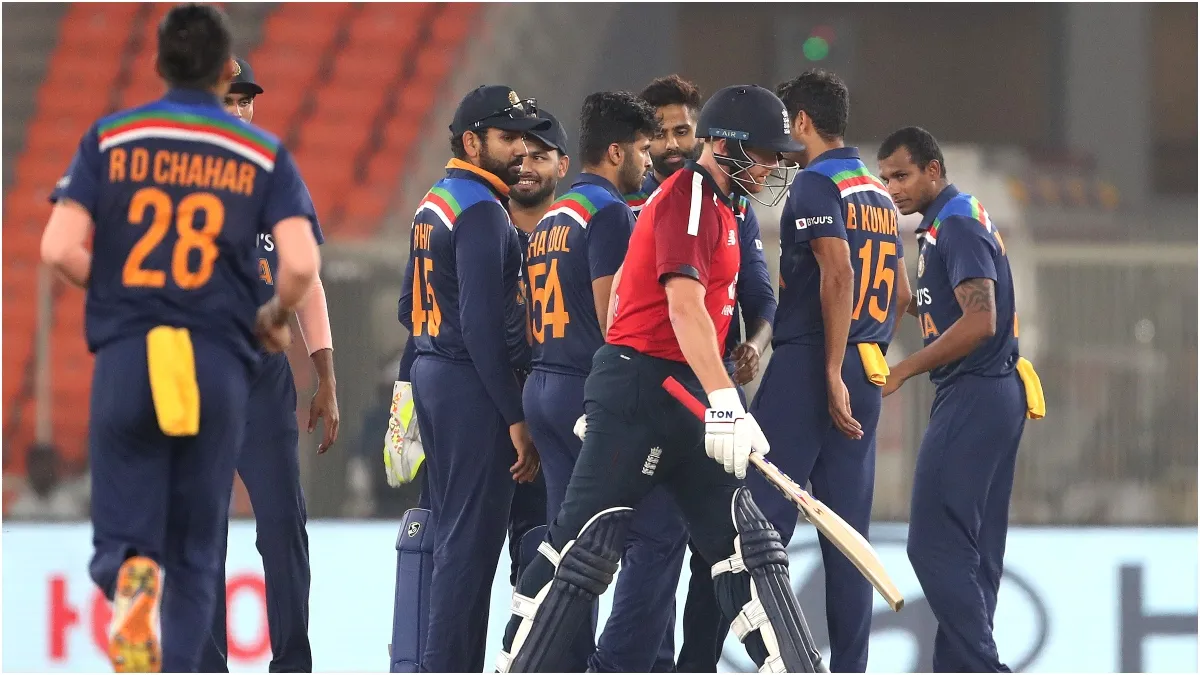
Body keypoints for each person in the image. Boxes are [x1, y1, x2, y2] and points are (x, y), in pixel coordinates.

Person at [497, 85, 827, 674]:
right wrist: (724, 400)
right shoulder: (689, 197)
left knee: (747, 548)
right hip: (642, 390)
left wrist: (716, 397)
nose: (775, 166)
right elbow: (683, 306)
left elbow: (684, 302)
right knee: (582, 548)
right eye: (766, 153)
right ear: (726, 146)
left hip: (682, 391)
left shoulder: (726, 208)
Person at [39, 4, 321, 671]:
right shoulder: (257, 153)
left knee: (137, 517)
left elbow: (56, 248)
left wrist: (124, 289)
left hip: (134, 353)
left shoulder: (112, 138)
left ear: (161, 65)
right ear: (223, 70)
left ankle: (128, 572)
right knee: (200, 539)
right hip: (215, 354)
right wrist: (273, 313)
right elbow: (302, 265)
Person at [743, 70, 906, 672]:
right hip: (868, 367)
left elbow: (838, 274)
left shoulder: (815, 183)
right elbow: (901, 290)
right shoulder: (877, 191)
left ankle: (783, 659)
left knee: (754, 519)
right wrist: (862, 354)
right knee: (848, 541)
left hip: (815, 365)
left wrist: (832, 368)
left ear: (804, 121)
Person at [626, 73, 780, 674]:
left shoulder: (731, 205)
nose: (671, 143)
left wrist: (753, 347)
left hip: (709, 396)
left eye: (681, 131)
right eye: (659, 133)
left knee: (719, 547)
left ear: (703, 134)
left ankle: (696, 665)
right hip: (660, 394)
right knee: (652, 545)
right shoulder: (646, 202)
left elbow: (762, 299)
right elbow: (629, 312)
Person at [876, 126, 1043, 673]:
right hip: (992, 393)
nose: (893, 189)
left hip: (974, 392)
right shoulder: (945, 224)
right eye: (886, 179)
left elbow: (979, 321)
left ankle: (983, 667)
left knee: (930, 545)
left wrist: (904, 369)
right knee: (976, 550)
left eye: (902, 176)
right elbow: (948, 308)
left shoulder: (957, 224)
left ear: (934, 170)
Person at [395, 84, 545, 673]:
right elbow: (482, 325)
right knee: (470, 549)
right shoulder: (482, 208)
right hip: (469, 383)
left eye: (523, 138)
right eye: (507, 138)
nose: (520, 150)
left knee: (455, 537)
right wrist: (515, 416)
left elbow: (407, 306)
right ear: (472, 142)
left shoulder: (435, 200)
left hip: (433, 372)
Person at [198, 55, 339, 674]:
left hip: (261, 379)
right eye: (226, 99)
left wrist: (326, 376)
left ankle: (293, 664)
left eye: (245, 100)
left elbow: (307, 279)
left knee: (284, 526)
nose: (238, 111)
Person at [522, 91, 665, 672]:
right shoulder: (609, 214)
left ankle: (558, 662)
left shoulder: (554, 215)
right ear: (616, 152)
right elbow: (616, 320)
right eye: (643, 149)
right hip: (587, 393)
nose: (649, 162)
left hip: (543, 386)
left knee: (569, 545)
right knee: (650, 536)